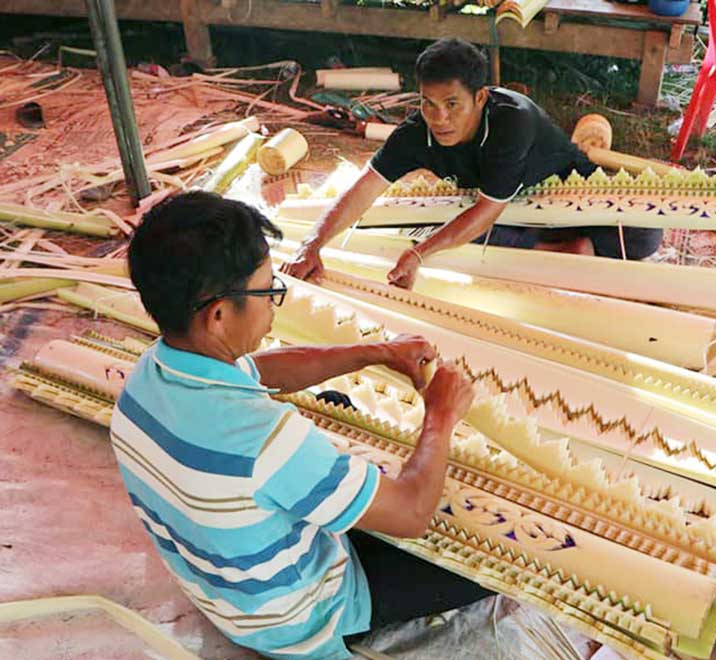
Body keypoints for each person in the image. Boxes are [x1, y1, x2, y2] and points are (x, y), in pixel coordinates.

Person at [112, 191, 491, 659]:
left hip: (228, 598)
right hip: (299, 620)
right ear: (217, 315)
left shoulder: (145, 381)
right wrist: (441, 416)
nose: (275, 306)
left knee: (332, 404)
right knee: (485, 559)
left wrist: (372, 352)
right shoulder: (266, 439)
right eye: (268, 292)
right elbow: (412, 516)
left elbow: (263, 371)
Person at [282, 38, 662, 289]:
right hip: (504, 207)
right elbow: (366, 186)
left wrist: (419, 254)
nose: (439, 118)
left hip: (564, 193)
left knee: (646, 234)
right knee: (429, 226)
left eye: (452, 105)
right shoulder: (416, 133)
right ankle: (559, 253)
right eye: (428, 103)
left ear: (480, 98)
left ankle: (561, 247)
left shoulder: (513, 121)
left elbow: (485, 210)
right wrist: (313, 244)